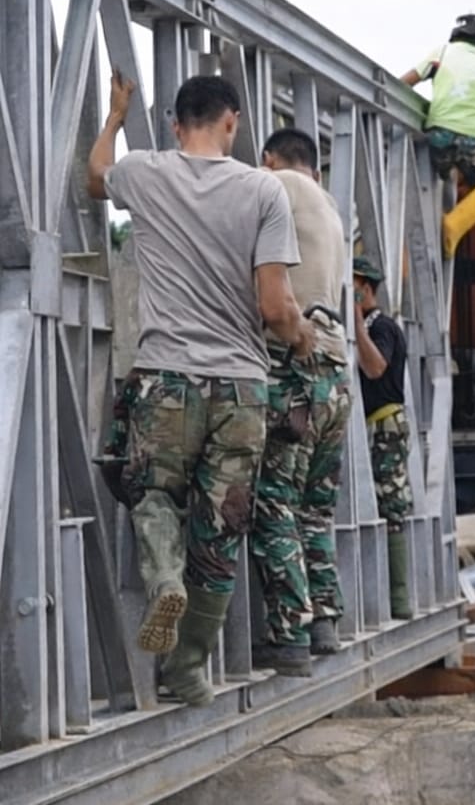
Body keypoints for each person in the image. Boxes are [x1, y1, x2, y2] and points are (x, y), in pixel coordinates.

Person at [87, 70, 315, 707]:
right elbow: (275, 305)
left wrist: (112, 117)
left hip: (166, 376)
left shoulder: (147, 173)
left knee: (153, 490)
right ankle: (187, 670)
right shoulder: (263, 190)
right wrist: (298, 337)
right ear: (233, 122)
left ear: (174, 124)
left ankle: (164, 579)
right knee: (221, 530)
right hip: (242, 387)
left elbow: (94, 176)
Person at [250, 129, 353, 674]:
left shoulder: (275, 184)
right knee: (315, 506)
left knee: (273, 500)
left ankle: (288, 636)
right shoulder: (330, 206)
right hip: (336, 371)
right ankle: (324, 621)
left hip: (295, 363)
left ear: (269, 159)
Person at [400, 13, 475, 256]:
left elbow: (405, 82)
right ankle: (456, 224)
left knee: (447, 173)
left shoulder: (440, 54)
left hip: (439, 138)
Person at [352, 257, 414, 619]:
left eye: (356, 284)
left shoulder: (382, 326)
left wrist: (358, 326)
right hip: (370, 425)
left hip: (385, 425)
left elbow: (375, 368)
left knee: (390, 504)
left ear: (368, 287)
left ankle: (399, 597)